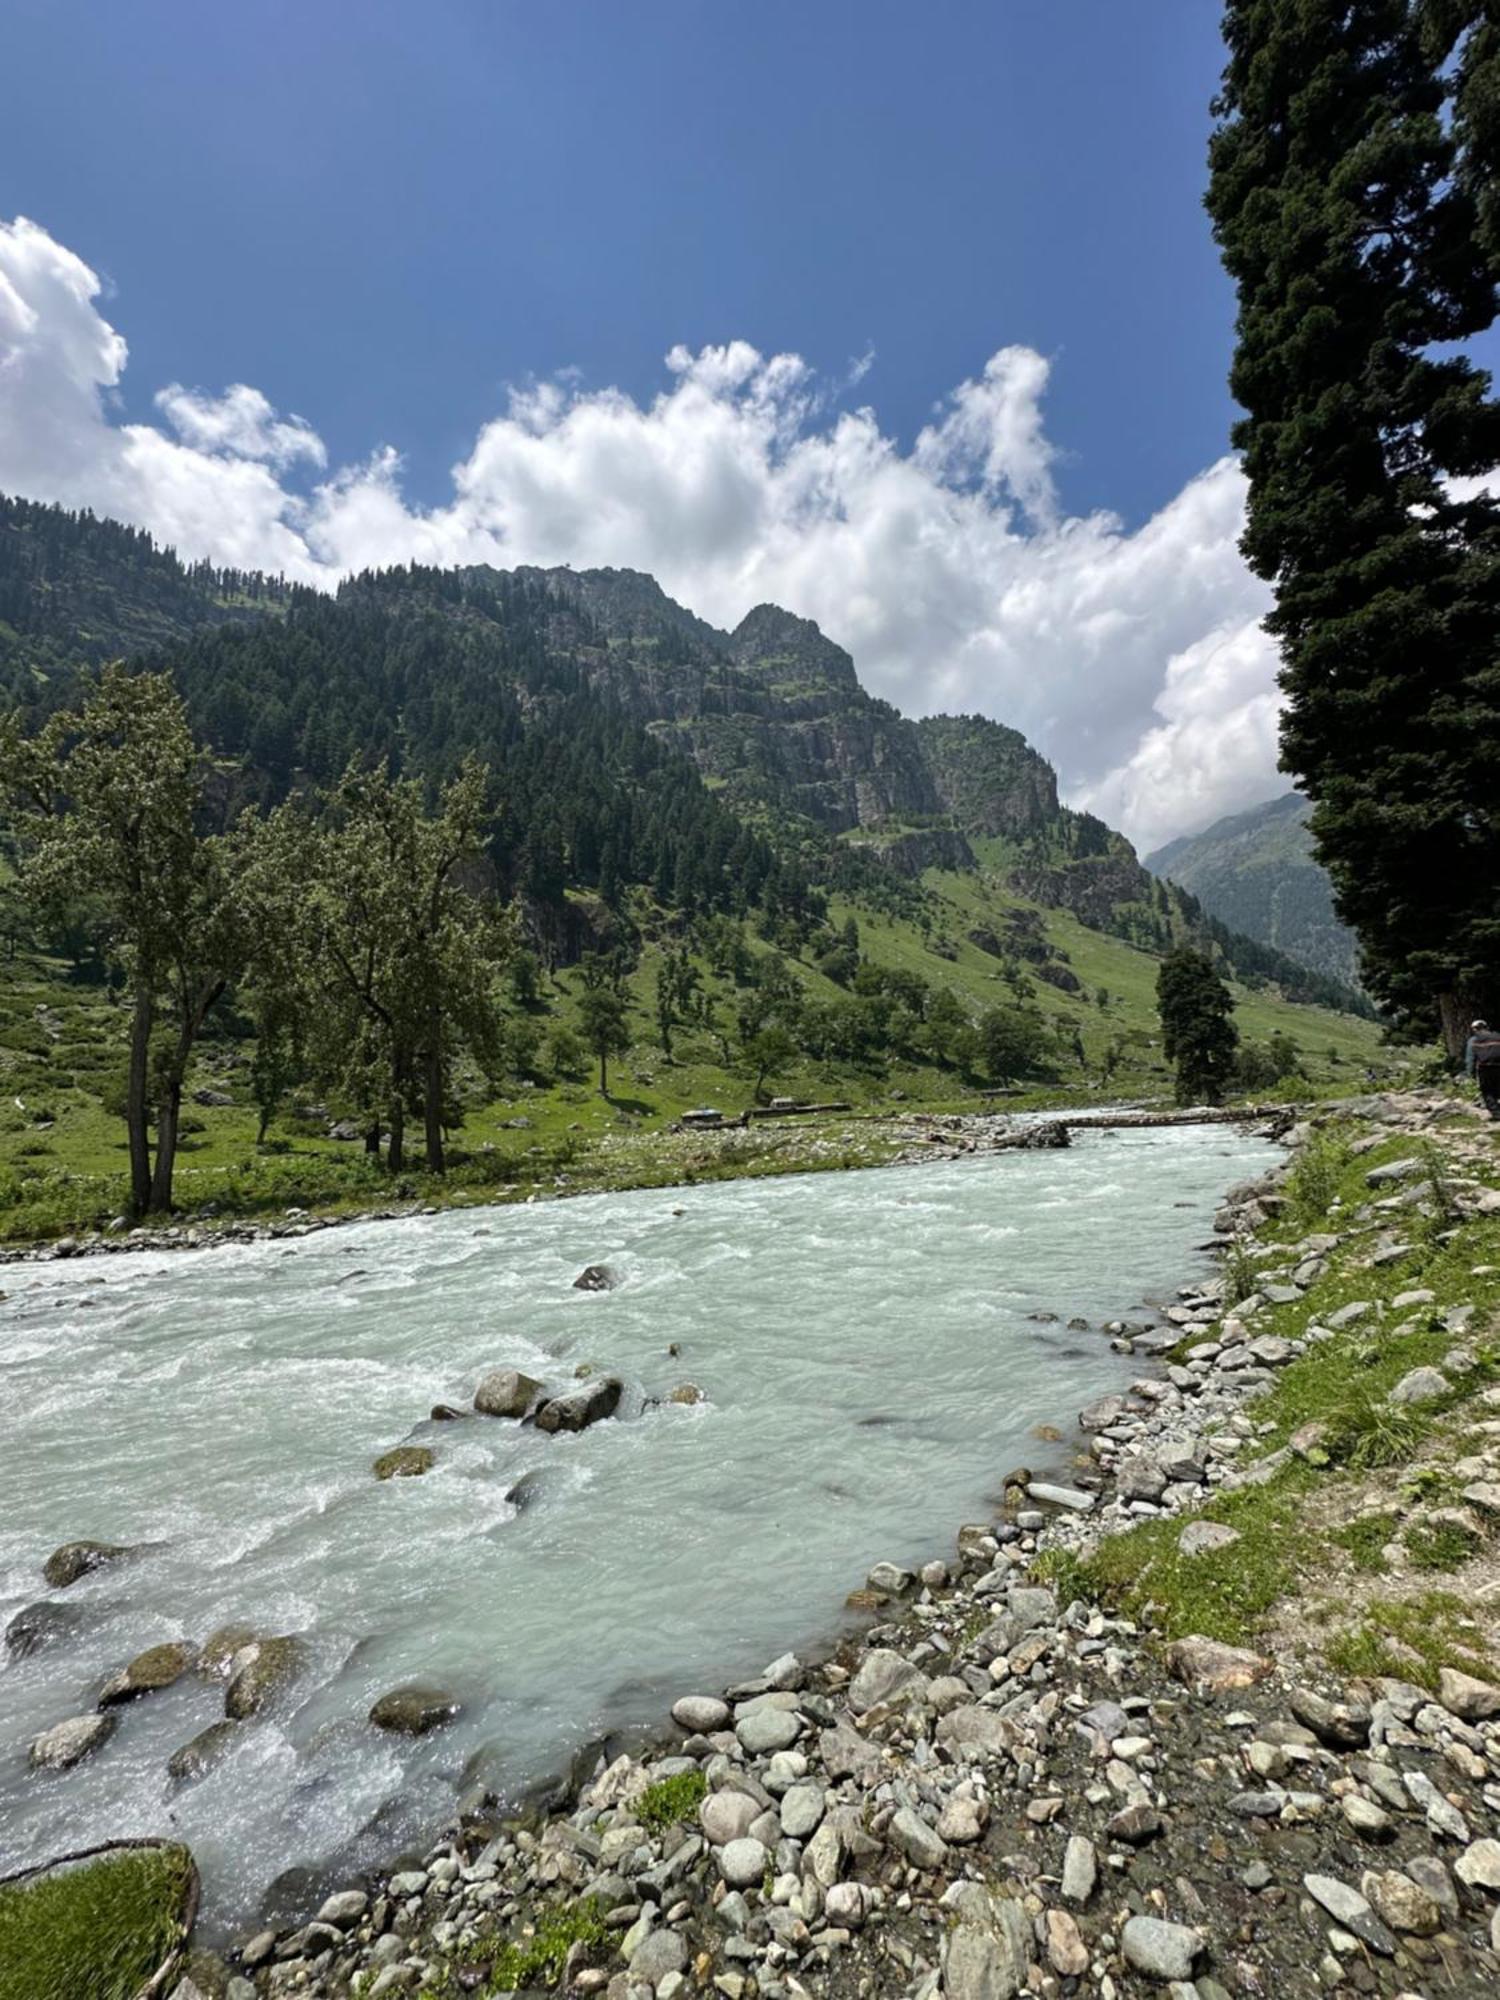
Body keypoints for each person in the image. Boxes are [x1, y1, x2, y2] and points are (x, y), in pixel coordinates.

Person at [1463, 1018, 1500, 1121]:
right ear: (1486, 1027)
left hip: (1485, 1069)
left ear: (1474, 1029)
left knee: (1487, 1091)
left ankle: (1497, 1114)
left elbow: (1470, 1059)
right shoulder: (1497, 1036)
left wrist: (1470, 1074)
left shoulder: (1473, 1040)